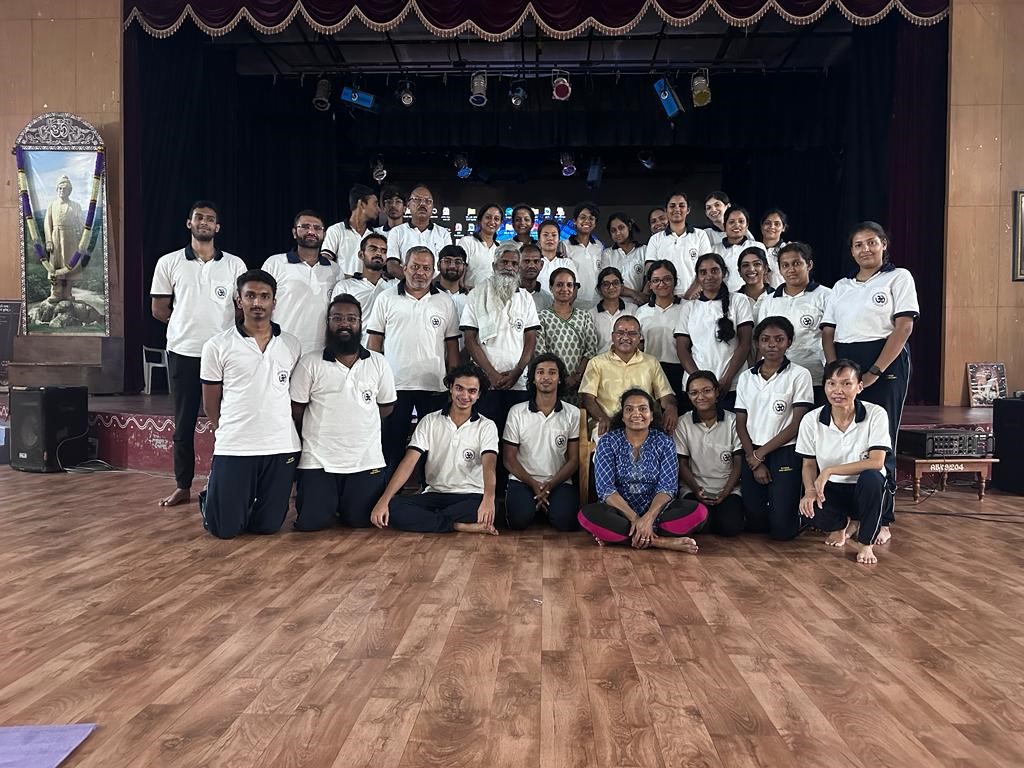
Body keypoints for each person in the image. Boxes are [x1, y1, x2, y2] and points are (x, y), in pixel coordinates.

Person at [821, 221, 918, 546]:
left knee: (881, 439)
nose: (865, 249)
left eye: (871, 242)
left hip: (884, 363)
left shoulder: (898, 277)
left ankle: (882, 518)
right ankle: (849, 515)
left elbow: (903, 328)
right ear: (851, 251)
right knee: (846, 437)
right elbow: (828, 332)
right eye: (858, 244)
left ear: (884, 244)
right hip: (846, 361)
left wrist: (874, 371)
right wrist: (836, 373)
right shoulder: (841, 286)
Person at [150, 200, 247, 508]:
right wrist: (185, 324)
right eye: (199, 218)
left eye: (210, 219)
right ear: (189, 223)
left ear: (218, 227)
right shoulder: (169, 262)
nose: (204, 222)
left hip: (225, 355)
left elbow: (241, 309)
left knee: (228, 420)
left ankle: (226, 481)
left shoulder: (235, 264)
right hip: (184, 352)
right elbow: (159, 309)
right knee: (184, 424)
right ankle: (183, 485)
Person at [198, 269, 301, 539]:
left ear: (274, 302)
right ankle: (213, 499)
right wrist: (229, 432)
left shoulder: (291, 345)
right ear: (239, 300)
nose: (257, 303)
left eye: (264, 297)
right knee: (224, 529)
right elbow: (210, 404)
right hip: (236, 445)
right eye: (250, 296)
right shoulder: (217, 346)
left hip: (281, 445)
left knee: (268, 527)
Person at [289, 294, 396, 530]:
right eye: (337, 318)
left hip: (365, 460)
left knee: (361, 522)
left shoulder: (378, 362)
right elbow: (297, 409)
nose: (344, 324)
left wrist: (358, 419)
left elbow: (386, 406)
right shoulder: (310, 362)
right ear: (328, 323)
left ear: (360, 323)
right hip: (318, 460)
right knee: (312, 524)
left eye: (351, 318)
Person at [370, 364, 500, 536]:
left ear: (478, 395)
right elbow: (408, 462)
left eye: (472, 391)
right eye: (459, 388)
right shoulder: (429, 421)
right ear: (450, 388)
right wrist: (384, 499)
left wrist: (489, 499)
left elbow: (489, 466)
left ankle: (432, 521)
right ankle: (459, 526)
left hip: (471, 495)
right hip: (435, 494)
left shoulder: (487, 426)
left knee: (492, 507)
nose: (464, 396)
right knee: (394, 507)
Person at [366, 245, 460, 475]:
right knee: (392, 445)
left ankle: (431, 489)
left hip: (435, 386)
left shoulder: (445, 301)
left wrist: (453, 383)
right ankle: (390, 492)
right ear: (404, 268)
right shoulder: (386, 298)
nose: (420, 273)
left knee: (433, 446)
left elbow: (452, 347)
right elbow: (374, 344)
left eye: (426, 268)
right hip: (395, 386)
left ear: (433, 271)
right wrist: (373, 380)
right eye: (415, 266)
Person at [579, 389, 706, 551]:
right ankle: (661, 542)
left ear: (651, 415)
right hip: (619, 513)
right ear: (623, 415)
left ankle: (620, 537)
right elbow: (606, 489)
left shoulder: (664, 442)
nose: (636, 413)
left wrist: (648, 519)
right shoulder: (608, 442)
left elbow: (667, 488)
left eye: (643, 408)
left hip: (658, 514)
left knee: (699, 512)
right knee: (586, 515)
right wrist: (635, 519)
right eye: (629, 409)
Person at [797, 359, 893, 565]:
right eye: (831, 383)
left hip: (864, 487)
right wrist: (810, 491)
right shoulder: (811, 419)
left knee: (873, 478)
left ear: (860, 386)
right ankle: (840, 525)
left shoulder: (876, 414)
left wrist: (829, 470)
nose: (837, 390)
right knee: (809, 511)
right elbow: (808, 464)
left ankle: (866, 543)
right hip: (832, 488)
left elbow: (877, 462)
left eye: (846, 383)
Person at [734, 316, 814, 540]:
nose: (772, 345)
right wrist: (753, 457)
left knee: (782, 531)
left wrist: (759, 455)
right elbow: (740, 422)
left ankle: (801, 519)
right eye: (765, 339)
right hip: (752, 450)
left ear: (789, 342)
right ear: (757, 343)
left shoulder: (800, 375)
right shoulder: (746, 377)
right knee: (755, 523)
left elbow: (796, 425)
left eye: (779, 339)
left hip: (785, 451)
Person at [461, 247, 540, 457]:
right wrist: (491, 374)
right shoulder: (477, 294)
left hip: (518, 383)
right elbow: (470, 340)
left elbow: (530, 340)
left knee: (517, 442)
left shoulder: (525, 298)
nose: (509, 267)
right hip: (485, 383)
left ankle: (512, 478)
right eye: (504, 262)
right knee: (486, 441)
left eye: (514, 263)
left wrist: (517, 372)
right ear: (494, 265)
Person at [503, 353, 581, 530]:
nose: (546, 377)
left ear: (560, 379)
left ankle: (543, 507)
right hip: (523, 480)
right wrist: (534, 485)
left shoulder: (573, 413)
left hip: (558, 481)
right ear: (533, 379)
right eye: (540, 372)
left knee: (566, 522)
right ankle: (536, 507)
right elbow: (509, 459)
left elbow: (573, 460)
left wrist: (550, 485)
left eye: (552, 373)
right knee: (518, 521)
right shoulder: (517, 412)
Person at [675, 252, 754, 409]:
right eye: (703, 272)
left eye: (714, 270)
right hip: (696, 388)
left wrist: (728, 378)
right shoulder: (689, 307)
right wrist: (699, 381)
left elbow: (745, 344)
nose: (709, 276)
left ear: (723, 272)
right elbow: (682, 349)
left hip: (732, 383)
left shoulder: (739, 301)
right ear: (697, 277)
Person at [580, 315, 678, 436]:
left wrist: (671, 407)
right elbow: (587, 398)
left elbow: (666, 395)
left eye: (632, 333)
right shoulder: (596, 363)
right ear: (613, 336)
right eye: (620, 333)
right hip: (608, 423)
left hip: (643, 423)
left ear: (639, 337)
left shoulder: (651, 362)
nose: (626, 337)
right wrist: (601, 417)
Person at [757, 242, 832, 401]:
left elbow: (833, 337)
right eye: (785, 265)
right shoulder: (769, 301)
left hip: (814, 376)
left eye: (796, 263)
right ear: (780, 270)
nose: (791, 269)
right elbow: (762, 341)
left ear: (809, 265)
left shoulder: (826, 296)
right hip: (776, 377)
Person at [261, 209, 341, 356]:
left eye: (317, 228)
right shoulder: (275, 263)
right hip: (281, 349)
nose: (311, 231)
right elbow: (262, 307)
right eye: (305, 227)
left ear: (324, 234)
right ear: (294, 232)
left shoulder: (335, 270)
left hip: (320, 353)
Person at [675, 371, 744, 536]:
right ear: (688, 396)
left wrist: (726, 491)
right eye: (694, 392)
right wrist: (696, 490)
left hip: (728, 489)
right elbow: (681, 463)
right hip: (694, 488)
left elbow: (738, 463)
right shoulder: (683, 422)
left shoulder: (733, 420)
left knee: (730, 528)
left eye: (707, 391)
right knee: (701, 527)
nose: (701, 397)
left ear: (717, 391)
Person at [537, 267, 599, 402]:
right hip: (551, 383)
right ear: (551, 287)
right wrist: (559, 378)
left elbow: (591, 349)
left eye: (569, 285)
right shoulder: (542, 317)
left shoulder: (584, 316)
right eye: (559, 285)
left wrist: (577, 377)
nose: (565, 289)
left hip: (580, 383)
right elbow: (541, 353)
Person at [634, 260, 688, 407]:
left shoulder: (687, 308)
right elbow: (639, 346)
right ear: (650, 285)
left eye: (667, 279)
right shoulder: (642, 312)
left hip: (681, 370)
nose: (661, 284)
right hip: (651, 371)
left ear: (675, 281)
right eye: (656, 280)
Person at [645, 192, 712, 299]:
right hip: (665, 299)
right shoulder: (655, 239)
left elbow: (706, 269)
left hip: (695, 298)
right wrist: (666, 296)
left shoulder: (700, 235)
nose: (677, 209)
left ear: (688, 210)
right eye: (672, 206)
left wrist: (688, 296)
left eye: (681, 205)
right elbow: (650, 271)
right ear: (666, 210)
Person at [385, 184, 451, 279]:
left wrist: (429, 285)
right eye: (417, 199)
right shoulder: (397, 232)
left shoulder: (444, 234)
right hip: (404, 286)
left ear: (432, 207)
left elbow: (447, 267)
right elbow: (392, 267)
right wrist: (413, 282)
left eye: (428, 201)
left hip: (435, 286)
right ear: (408, 205)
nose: (422, 204)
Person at [332, 232, 393, 327]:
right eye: (373, 249)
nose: (379, 253)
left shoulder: (394, 287)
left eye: (384, 251)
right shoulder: (344, 287)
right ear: (361, 255)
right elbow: (335, 321)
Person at [43, 174, 85, 303]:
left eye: (65, 189)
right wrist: (49, 241)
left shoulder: (76, 206)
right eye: (60, 188)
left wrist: (84, 238)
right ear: (57, 189)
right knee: (55, 265)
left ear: (69, 191)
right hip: (56, 237)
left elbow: (82, 224)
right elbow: (47, 224)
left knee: (71, 265)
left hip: (70, 238)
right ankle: (56, 292)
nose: (62, 191)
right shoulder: (51, 205)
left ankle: (67, 292)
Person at [321, 184, 380, 276]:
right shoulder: (335, 230)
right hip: (341, 284)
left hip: (369, 285)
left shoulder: (376, 234)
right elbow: (325, 262)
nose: (379, 210)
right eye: (375, 204)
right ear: (362, 204)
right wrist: (346, 280)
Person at [712, 206, 767, 293]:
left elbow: (765, 276)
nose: (737, 225)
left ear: (747, 225)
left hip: (753, 296)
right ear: (724, 226)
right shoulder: (714, 250)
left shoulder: (758, 246)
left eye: (741, 221)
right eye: (731, 222)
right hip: (724, 297)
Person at [562, 202, 603, 309]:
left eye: (591, 218)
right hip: (574, 301)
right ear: (575, 221)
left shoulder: (598, 246)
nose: (587, 221)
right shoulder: (565, 245)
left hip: (597, 302)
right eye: (583, 217)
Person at [599, 213, 646, 304]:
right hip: (615, 305)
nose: (617, 233)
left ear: (629, 226)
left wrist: (643, 296)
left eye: (621, 228)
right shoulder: (607, 254)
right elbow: (606, 283)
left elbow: (650, 278)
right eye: (613, 230)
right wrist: (633, 293)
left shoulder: (644, 250)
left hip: (639, 305)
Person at [590, 266, 637, 354]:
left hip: (627, 360)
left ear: (622, 286)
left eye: (615, 283)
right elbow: (590, 347)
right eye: (606, 284)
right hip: (600, 361)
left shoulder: (633, 310)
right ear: (599, 289)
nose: (611, 287)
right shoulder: (591, 315)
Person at [459, 203, 501, 289]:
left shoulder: (500, 248)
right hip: (470, 294)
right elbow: (459, 273)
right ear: (480, 220)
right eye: (488, 217)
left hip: (494, 295)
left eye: (496, 219)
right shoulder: (467, 242)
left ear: (500, 223)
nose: (492, 222)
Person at [432, 243, 471, 321]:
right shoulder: (429, 296)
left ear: (464, 267)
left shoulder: (470, 298)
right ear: (438, 265)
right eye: (447, 261)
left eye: (458, 262)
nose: (452, 266)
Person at [734, 246, 772, 320]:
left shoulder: (776, 297)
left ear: (765, 269)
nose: (751, 269)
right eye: (745, 265)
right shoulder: (733, 300)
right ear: (739, 272)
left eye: (756, 264)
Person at [537, 218, 573, 291]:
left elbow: (574, 288)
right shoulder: (534, 263)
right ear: (539, 239)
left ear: (559, 239)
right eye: (545, 235)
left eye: (554, 235)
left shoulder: (567, 263)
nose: (550, 238)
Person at [518, 243, 553, 313]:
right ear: (517, 264)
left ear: (541, 265)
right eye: (527, 261)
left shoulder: (548, 299)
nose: (531, 265)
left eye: (536, 261)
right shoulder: (508, 294)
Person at [758, 207, 788, 285]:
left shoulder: (788, 251)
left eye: (777, 224)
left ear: (783, 228)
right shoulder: (752, 248)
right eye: (767, 223)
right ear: (761, 226)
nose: (772, 226)